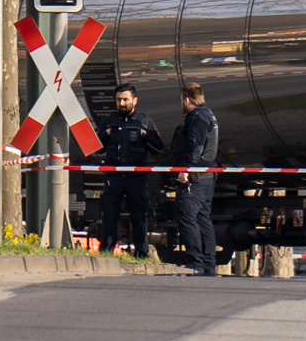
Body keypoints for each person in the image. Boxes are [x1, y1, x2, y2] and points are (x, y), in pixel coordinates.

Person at [90, 87, 163, 256]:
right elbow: (96, 149)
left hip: (136, 178)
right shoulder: (109, 121)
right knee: (109, 216)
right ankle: (106, 252)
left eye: (125, 100)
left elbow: (158, 148)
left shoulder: (144, 120)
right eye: (118, 100)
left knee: (138, 216)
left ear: (134, 101)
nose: (122, 103)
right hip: (114, 177)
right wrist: (106, 135)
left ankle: (141, 253)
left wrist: (145, 136)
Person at [170, 83, 218, 276]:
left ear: (187, 100)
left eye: (182, 100)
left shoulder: (197, 118)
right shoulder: (208, 114)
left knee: (187, 217)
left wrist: (185, 170)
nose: (181, 103)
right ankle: (208, 264)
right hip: (206, 175)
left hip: (195, 177)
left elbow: (195, 146)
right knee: (202, 218)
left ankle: (195, 263)